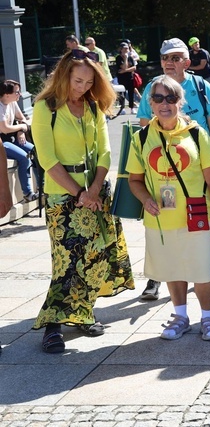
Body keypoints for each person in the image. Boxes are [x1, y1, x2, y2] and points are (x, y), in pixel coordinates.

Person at [31, 49, 135, 353]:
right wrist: (79, 194)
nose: (83, 87)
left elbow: (105, 152)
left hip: (97, 192)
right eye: (78, 80)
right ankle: (52, 326)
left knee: (96, 256)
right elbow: (48, 160)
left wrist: (94, 190)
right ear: (64, 75)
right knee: (66, 261)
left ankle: (82, 313)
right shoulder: (45, 107)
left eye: (89, 82)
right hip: (63, 195)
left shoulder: (92, 108)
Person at [127, 75, 210, 340]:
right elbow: (134, 180)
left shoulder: (196, 133)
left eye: (171, 98)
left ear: (180, 102)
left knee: (202, 269)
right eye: (158, 98)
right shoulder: (142, 137)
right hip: (161, 217)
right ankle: (180, 316)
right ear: (150, 103)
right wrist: (145, 199)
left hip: (196, 214)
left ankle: (208, 318)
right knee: (172, 268)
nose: (164, 104)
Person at [0, 80, 39, 202]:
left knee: (36, 151)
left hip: (12, 137)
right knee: (24, 157)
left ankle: (42, 187)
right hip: (2, 141)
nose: (20, 94)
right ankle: (27, 193)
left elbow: (22, 118)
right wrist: (22, 127)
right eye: (17, 92)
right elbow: (5, 128)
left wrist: (20, 131)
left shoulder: (12, 102)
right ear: (7, 94)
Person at [115, 42, 137, 115]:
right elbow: (123, 66)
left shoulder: (130, 57)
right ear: (121, 49)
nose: (126, 50)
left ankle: (132, 108)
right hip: (122, 79)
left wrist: (125, 71)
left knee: (131, 93)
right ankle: (122, 108)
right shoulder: (118, 58)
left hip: (130, 78)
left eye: (127, 48)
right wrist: (125, 59)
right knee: (122, 93)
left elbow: (134, 67)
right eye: (125, 48)